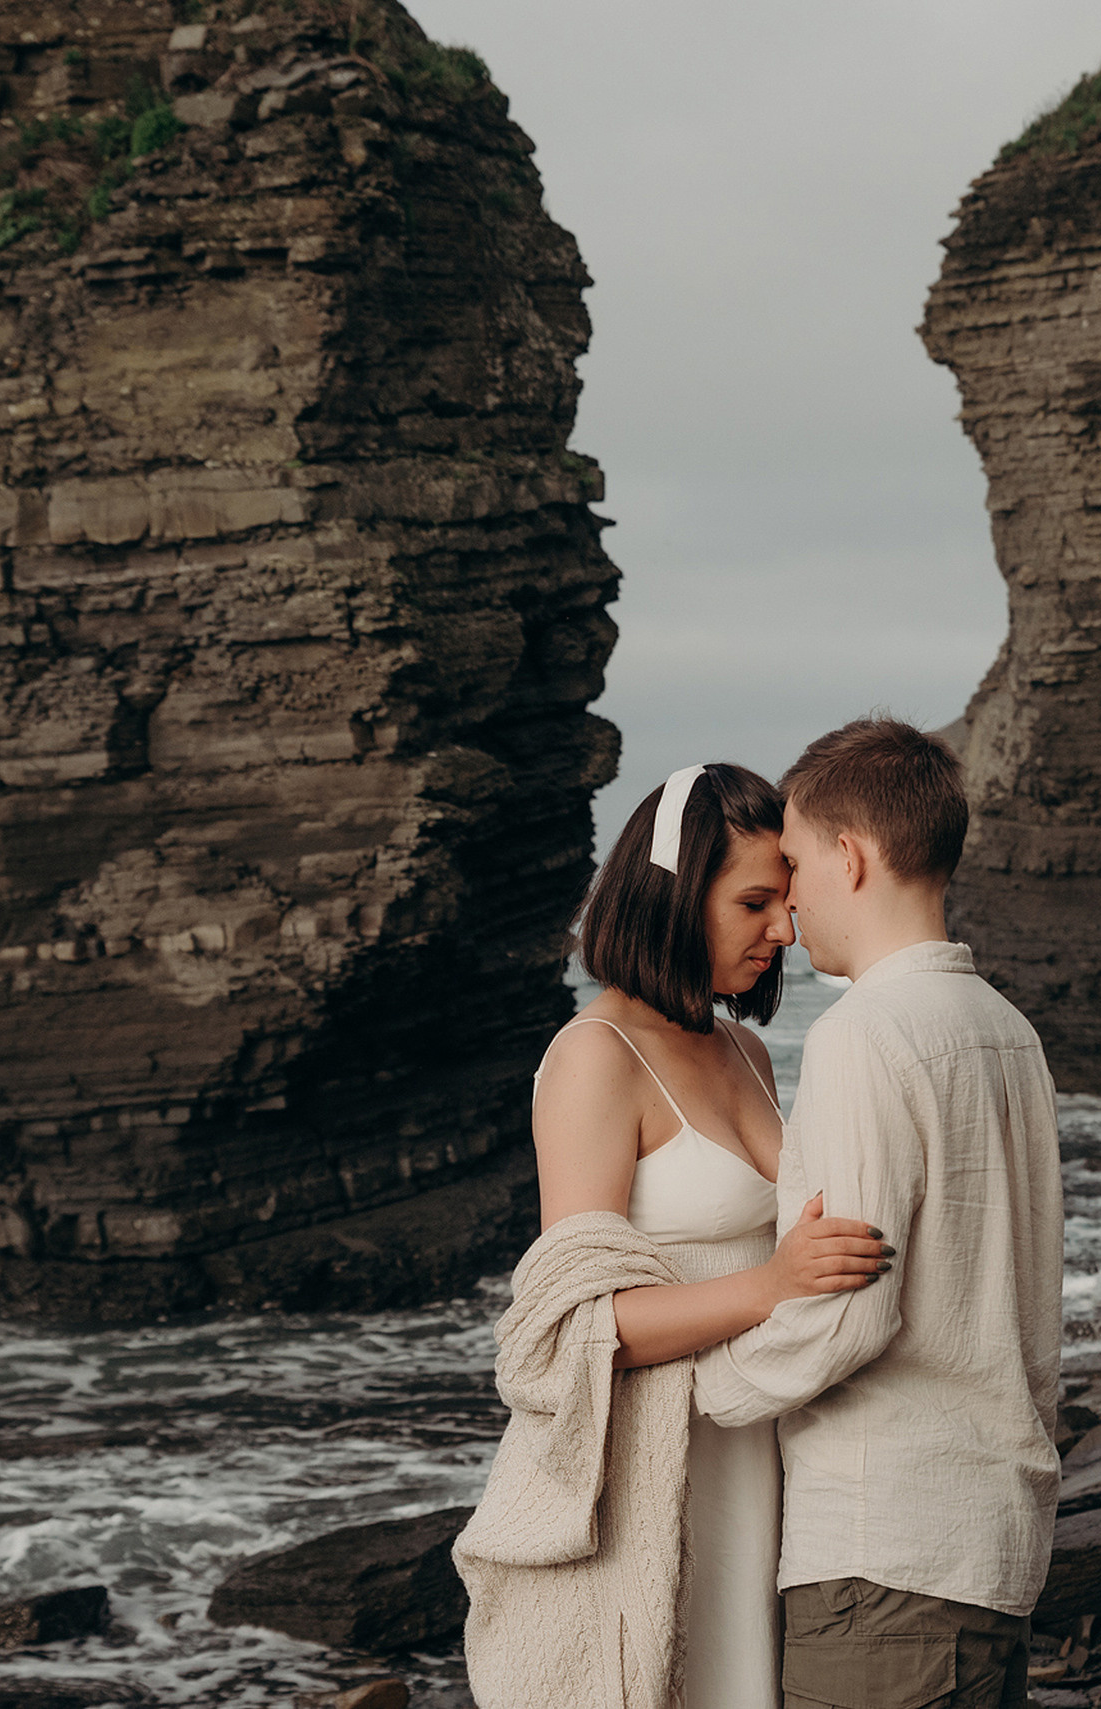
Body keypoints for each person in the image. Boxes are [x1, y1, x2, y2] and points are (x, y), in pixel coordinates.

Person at [455, 762, 892, 1707]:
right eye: (753, 902)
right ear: (674, 896)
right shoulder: (592, 1059)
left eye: (786, 901)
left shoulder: (740, 1047)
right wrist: (772, 1284)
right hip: (654, 1475)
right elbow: (569, 1329)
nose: (783, 930)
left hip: (758, 1445)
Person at [695, 719, 1063, 1709]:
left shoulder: (865, 1032)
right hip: (992, 1538)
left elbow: (851, 1305)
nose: (790, 907)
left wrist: (705, 1387)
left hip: (884, 1547)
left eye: (799, 864)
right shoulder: (1004, 1028)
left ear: (849, 857)